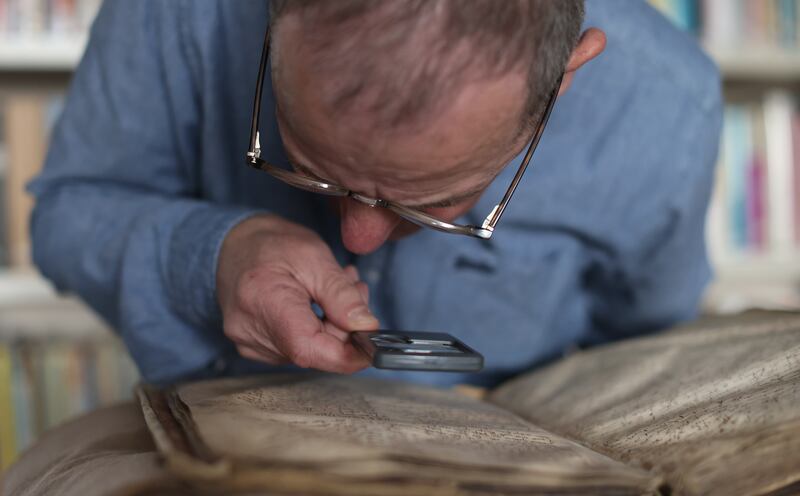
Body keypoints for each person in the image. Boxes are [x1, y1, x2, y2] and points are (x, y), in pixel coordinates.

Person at [28, 0, 721, 389]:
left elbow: (642, 349)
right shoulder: (177, 14)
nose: (355, 238)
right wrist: (211, 254)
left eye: (432, 200)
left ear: (559, 85)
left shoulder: (669, 108)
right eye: (305, 162)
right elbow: (67, 211)